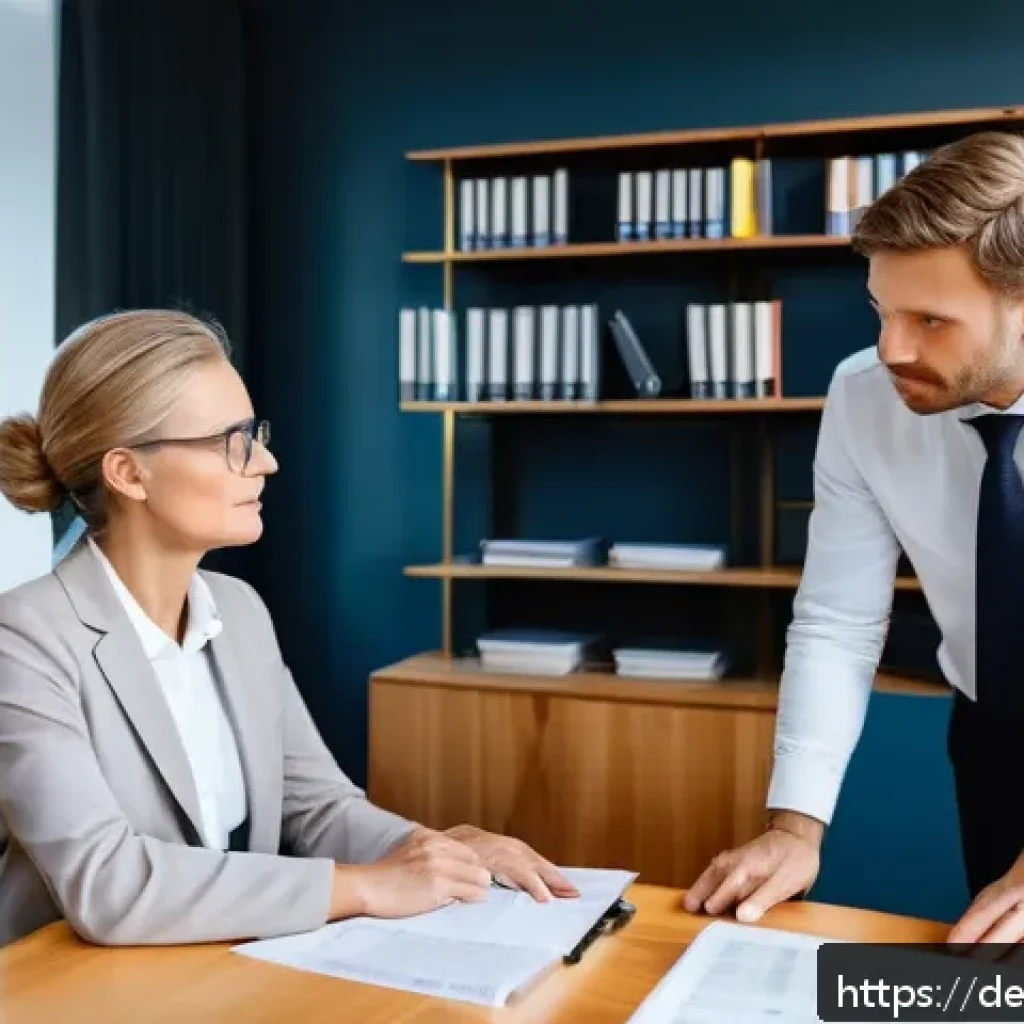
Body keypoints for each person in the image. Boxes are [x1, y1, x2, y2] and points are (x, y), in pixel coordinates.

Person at [0, 309, 578, 948]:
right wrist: (363, 886)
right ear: (128, 472)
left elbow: (318, 808)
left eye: (255, 433)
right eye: (232, 440)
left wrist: (439, 853)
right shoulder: (24, 640)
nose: (266, 462)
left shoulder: (239, 611)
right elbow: (107, 882)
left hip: (210, 978)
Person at [685, 129, 1024, 945]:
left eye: (932, 320)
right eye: (882, 309)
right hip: (993, 733)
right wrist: (795, 828)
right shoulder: (864, 396)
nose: (891, 348)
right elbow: (838, 622)